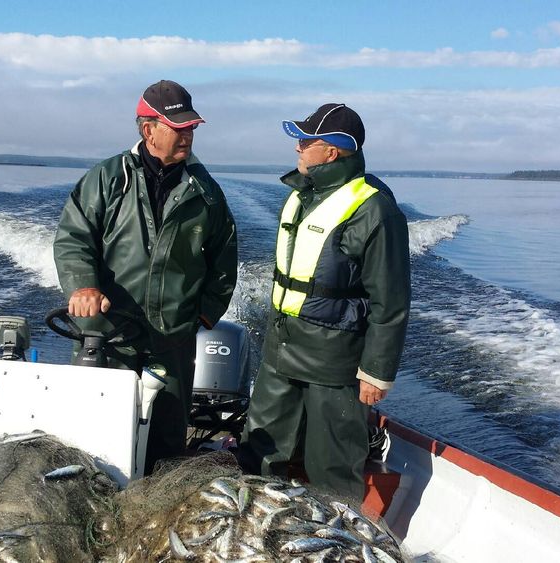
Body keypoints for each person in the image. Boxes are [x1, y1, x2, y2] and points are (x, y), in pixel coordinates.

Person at [53, 80, 238, 473]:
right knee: (94, 437)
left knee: (167, 445)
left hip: (173, 337)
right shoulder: (106, 179)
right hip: (107, 334)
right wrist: (83, 285)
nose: (187, 135)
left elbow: (224, 260)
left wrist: (204, 315)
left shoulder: (206, 192)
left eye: (191, 128)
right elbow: (73, 238)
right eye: (178, 127)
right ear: (148, 129)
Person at [238, 103, 410, 500]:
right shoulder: (303, 196)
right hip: (280, 351)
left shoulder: (375, 210)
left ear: (332, 152)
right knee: (258, 454)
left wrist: (376, 372)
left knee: (331, 468)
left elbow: (391, 300)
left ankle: (336, 543)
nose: (297, 147)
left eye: (306, 140)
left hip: (334, 363)